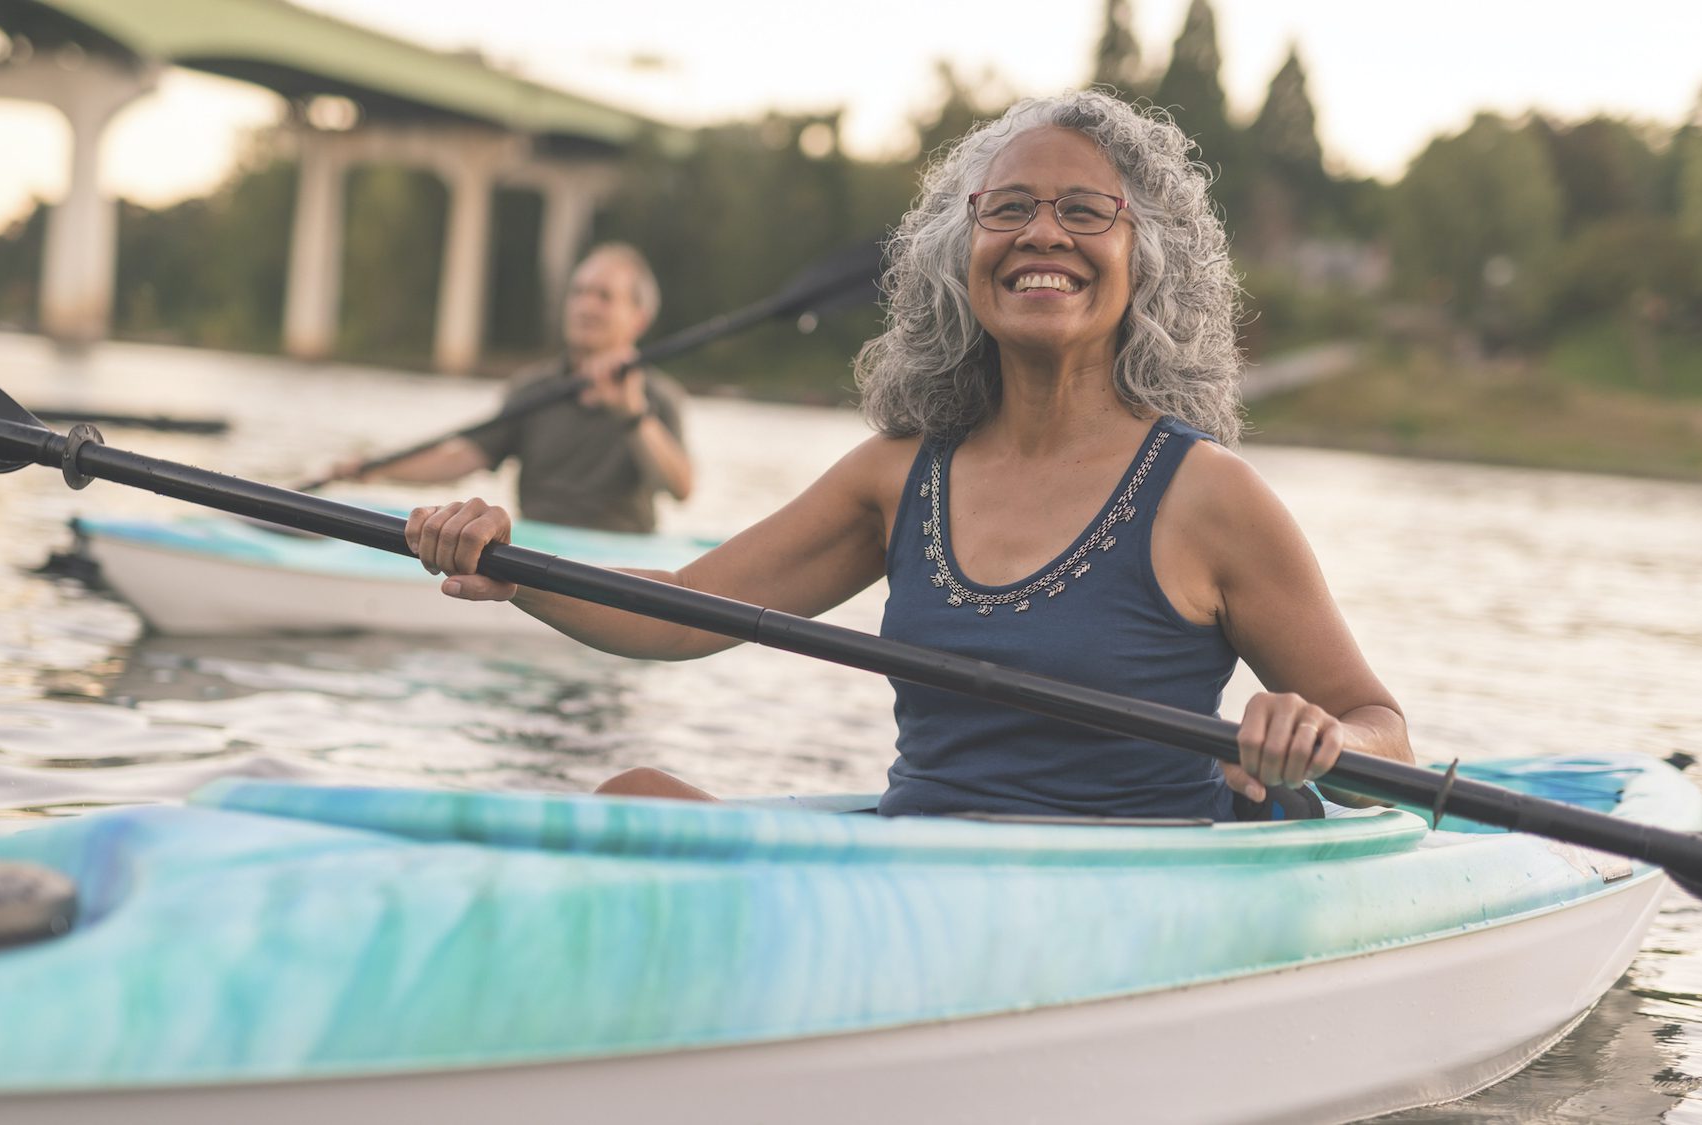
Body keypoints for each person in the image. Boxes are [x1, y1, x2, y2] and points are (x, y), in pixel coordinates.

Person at [406, 90, 1412, 820]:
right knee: (629, 801)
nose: (1040, 233)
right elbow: (672, 614)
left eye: (1083, 210)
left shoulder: (1209, 496)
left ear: (1143, 258)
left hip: (1116, 894)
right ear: (956, 254)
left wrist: (1320, 740)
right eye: (1007, 207)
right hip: (917, 877)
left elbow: (1379, 726)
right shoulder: (896, 475)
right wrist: (507, 563)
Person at [342, 243, 692, 534]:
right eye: (579, 292)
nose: (586, 306)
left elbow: (680, 488)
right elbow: (461, 458)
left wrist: (632, 414)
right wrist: (375, 468)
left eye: (603, 296)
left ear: (639, 318)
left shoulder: (659, 397)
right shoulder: (533, 387)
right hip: (540, 548)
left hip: (620, 559)